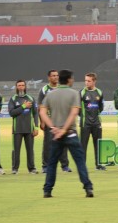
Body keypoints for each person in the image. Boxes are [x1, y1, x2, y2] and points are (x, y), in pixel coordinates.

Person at [39, 69, 94, 198]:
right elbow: (74, 113)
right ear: (69, 79)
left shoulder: (51, 94)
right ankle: (88, 188)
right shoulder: (74, 94)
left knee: (52, 163)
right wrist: (64, 129)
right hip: (70, 133)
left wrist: (53, 127)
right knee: (80, 162)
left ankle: (47, 190)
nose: (73, 80)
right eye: (72, 78)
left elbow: (42, 113)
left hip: (56, 134)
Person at [39, 70, 70, 173]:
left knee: (63, 143)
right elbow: (41, 106)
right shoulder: (44, 90)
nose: (56, 77)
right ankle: (46, 166)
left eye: (57, 75)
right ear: (49, 78)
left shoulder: (62, 88)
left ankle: (64, 165)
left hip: (61, 120)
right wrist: (42, 121)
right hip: (49, 121)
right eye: (53, 76)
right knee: (48, 144)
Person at [8, 80, 39, 175]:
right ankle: (15, 168)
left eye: (22, 85)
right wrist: (23, 106)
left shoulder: (31, 98)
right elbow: (11, 113)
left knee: (30, 150)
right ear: (16, 87)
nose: (21, 87)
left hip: (29, 129)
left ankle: (32, 168)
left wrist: (36, 127)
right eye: (19, 85)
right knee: (16, 150)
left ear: (25, 87)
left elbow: (35, 113)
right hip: (17, 129)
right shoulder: (13, 99)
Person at [80, 72, 105, 171]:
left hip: (96, 123)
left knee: (98, 144)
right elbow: (78, 109)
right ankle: (82, 166)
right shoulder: (81, 93)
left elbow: (101, 107)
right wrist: (84, 117)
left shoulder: (99, 92)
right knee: (83, 145)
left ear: (94, 81)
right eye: (85, 80)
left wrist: (95, 116)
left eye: (89, 81)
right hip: (85, 123)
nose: (86, 83)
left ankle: (98, 165)